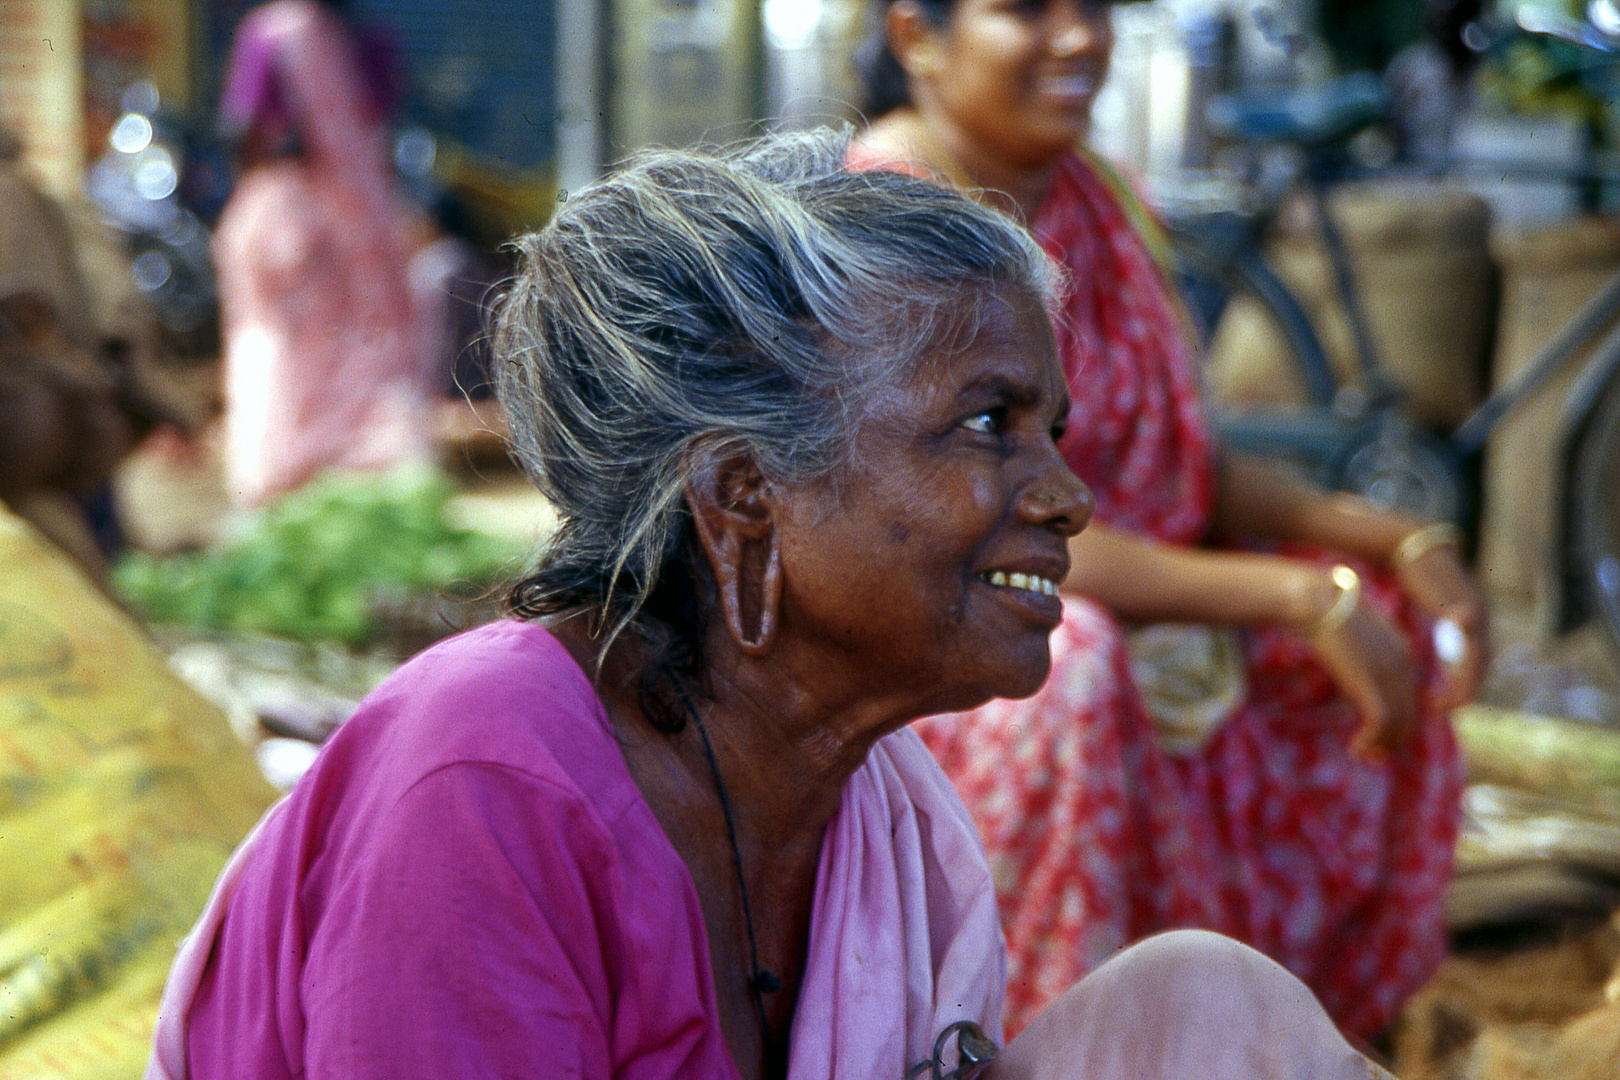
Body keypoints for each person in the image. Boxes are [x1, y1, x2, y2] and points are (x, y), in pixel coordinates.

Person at [142, 129, 1393, 1080]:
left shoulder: (868, 805)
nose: (1066, 496)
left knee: (1211, 1015)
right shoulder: (484, 779)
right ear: (745, 499)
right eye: (987, 424)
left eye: (1050, 429)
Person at [850, 0, 1489, 1045]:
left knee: (1394, 621)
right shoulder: (888, 221)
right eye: (1025, 11)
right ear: (918, 36)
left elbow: (1184, 462)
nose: (1078, 41)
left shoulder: (1100, 197)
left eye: (1091, 8)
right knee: (1070, 666)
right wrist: (1296, 596)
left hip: (1121, 588)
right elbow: (1002, 518)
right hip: (954, 628)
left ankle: (1274, 1031)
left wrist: (1388, 542)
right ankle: (1031, 1040)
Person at [212, 0, 437, 506]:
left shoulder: (272, 30)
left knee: (278, 349)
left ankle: (277, 482)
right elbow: (375, 125)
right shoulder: (372, 38)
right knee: (362, 355)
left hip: (288, 220)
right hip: (362, 221)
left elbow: (241, 126)